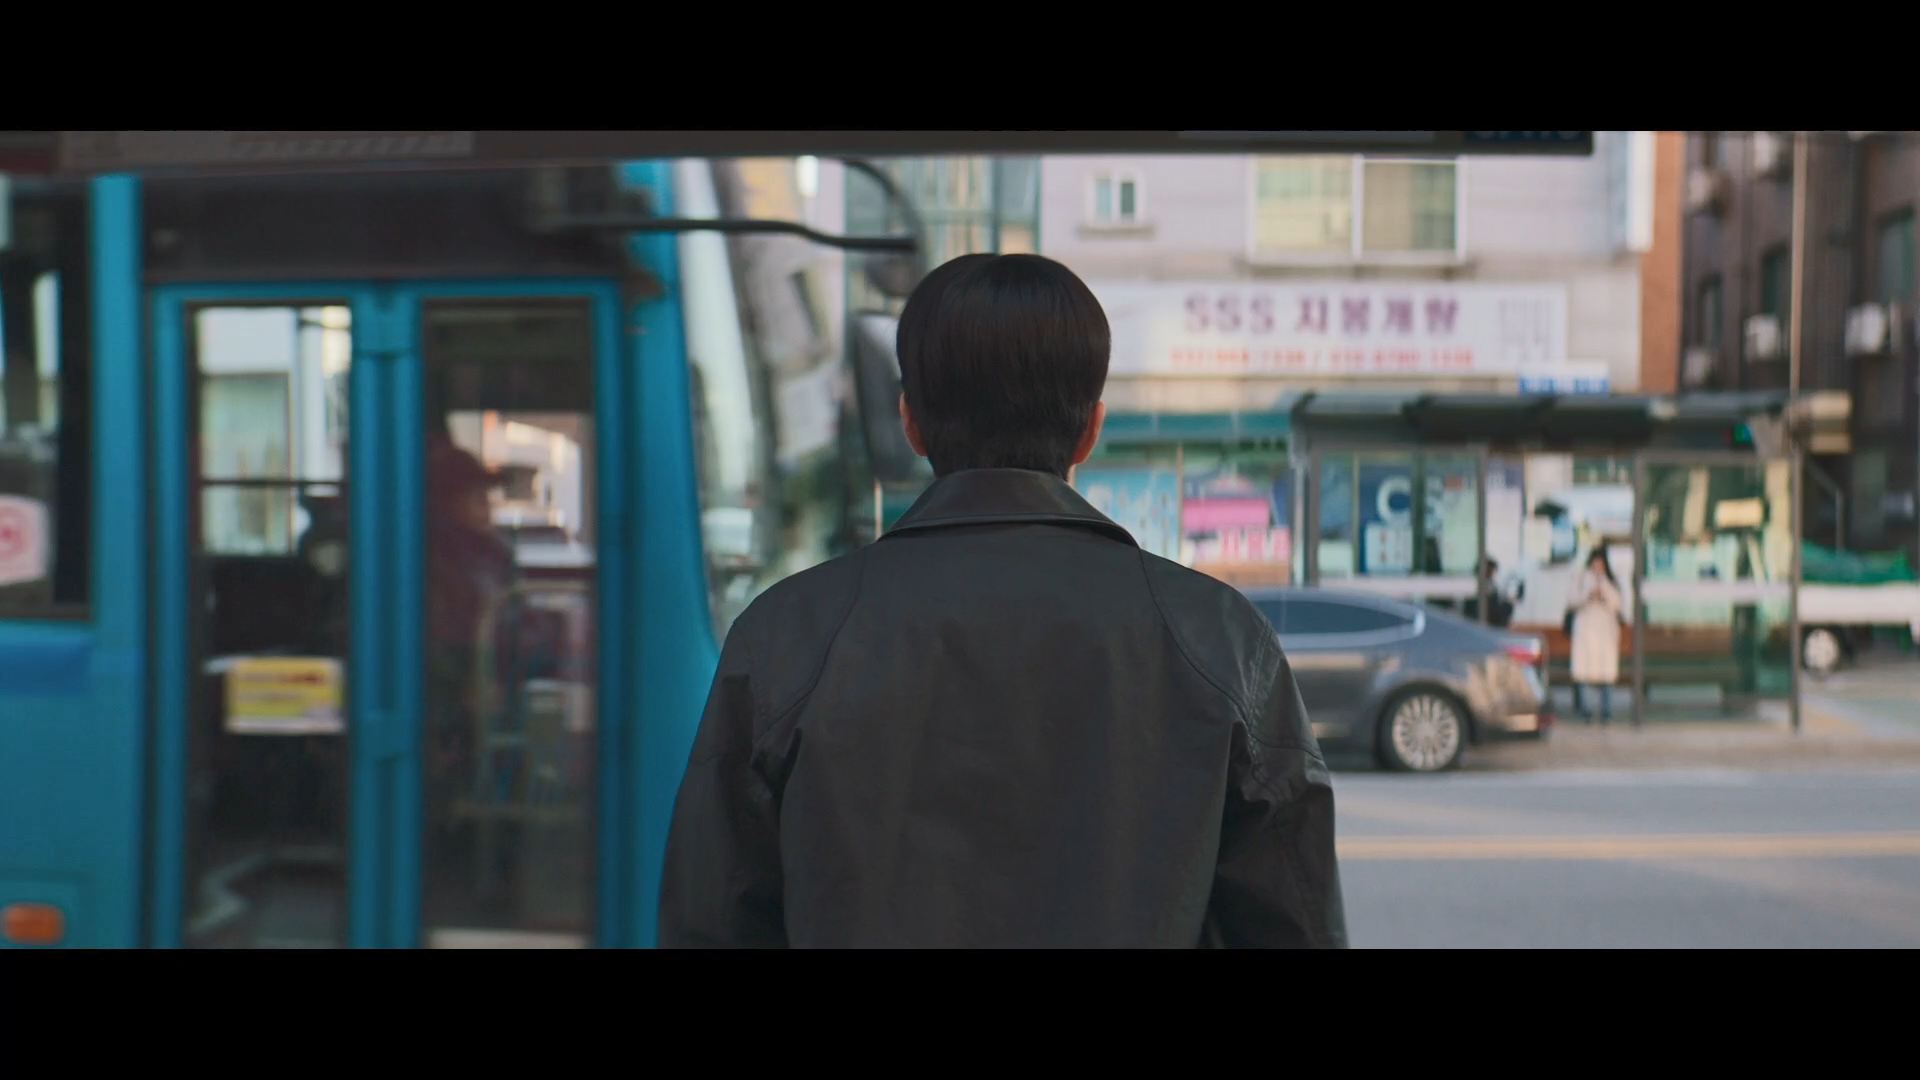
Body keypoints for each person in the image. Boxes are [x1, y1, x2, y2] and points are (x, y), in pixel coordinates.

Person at [659, 254, 1347, 948]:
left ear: (910, 423)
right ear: (1091, 430)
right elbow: (1295, 923)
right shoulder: (1219, 638)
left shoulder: (786, 633)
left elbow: (710, 919)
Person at [1569, 546, 1624, 724]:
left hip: (1605, 632)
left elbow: (1617, 604)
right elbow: (1572, 601)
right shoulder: (1581, 578)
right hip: (1586, 631)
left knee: (1606, 673)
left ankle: (1606, 710)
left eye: (1601, 563)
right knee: (1583, 671)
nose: (1597, 567)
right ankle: (1585, 709)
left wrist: (1604, 590)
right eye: (1595, 563)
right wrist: (1589, 594)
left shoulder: (1610, 581)